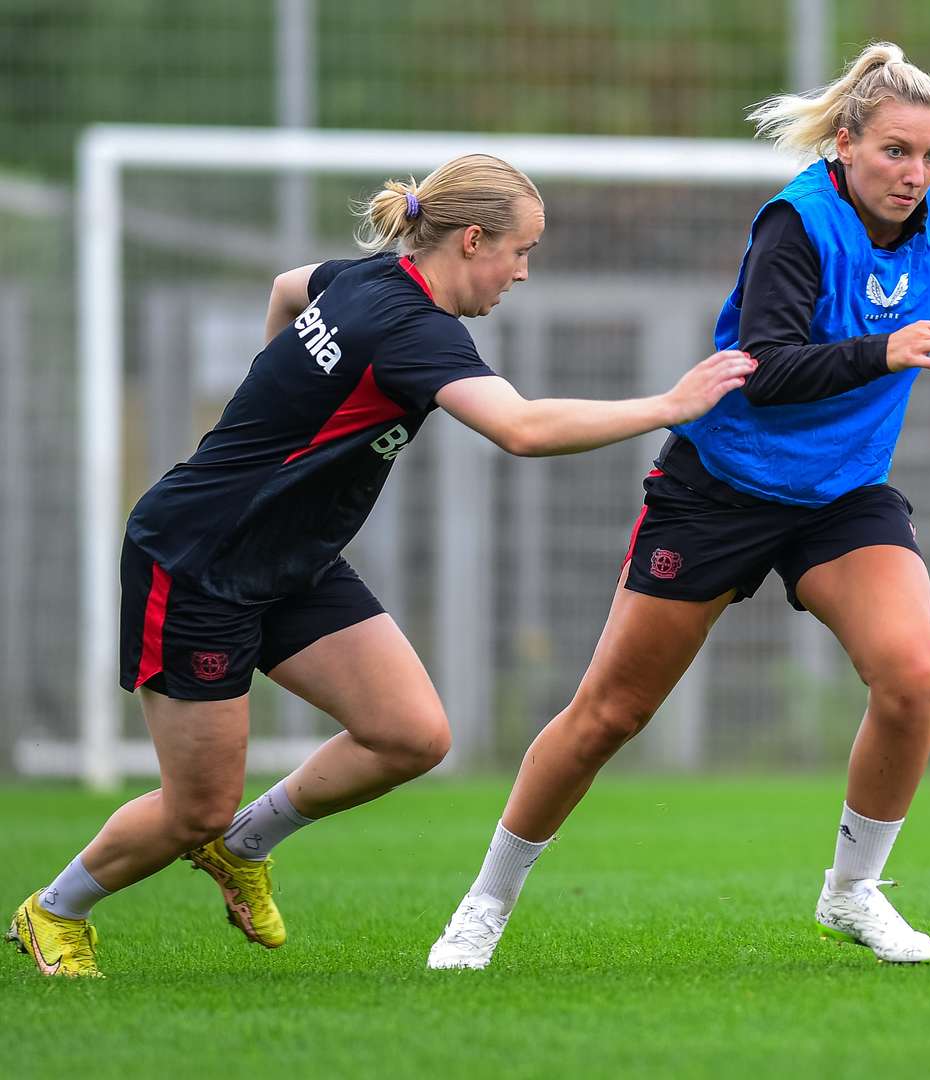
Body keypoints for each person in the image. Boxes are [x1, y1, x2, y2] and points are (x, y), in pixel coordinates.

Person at [7, 154, 755, 978]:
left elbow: (290, 288)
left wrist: (278, 395)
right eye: (519, 251)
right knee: (195, 806)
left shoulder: (368, 280)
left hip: (293, 560)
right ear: (473, 240)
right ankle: (54, 910)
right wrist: (668, 406)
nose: (523, 272)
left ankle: (245, 844)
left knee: (409, 735)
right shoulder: (413, 330)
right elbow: (523, 429)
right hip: (198, 562)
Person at [427, 41, 930, 971]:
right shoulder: (796, 226)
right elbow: (771, 367)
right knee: (609, 715)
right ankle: (483, 906)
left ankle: (852, 893)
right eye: (895, 152)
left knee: (912, 676)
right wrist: (887, 349)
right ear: (844, 144)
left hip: (841, 497)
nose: (917, 175)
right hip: (720, 487)